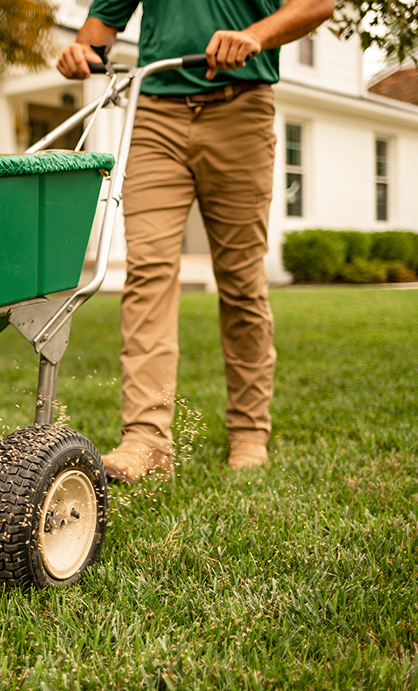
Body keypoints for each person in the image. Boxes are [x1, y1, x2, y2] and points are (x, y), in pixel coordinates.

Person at [57, 0, 334, 481]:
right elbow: (96, 38)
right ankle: (147, 442)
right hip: (155, 116)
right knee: (148, 274)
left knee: (242, 279)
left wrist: (255, 36)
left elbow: (317, 4)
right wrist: (79, 54)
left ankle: (249, 432)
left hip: (241, 107)